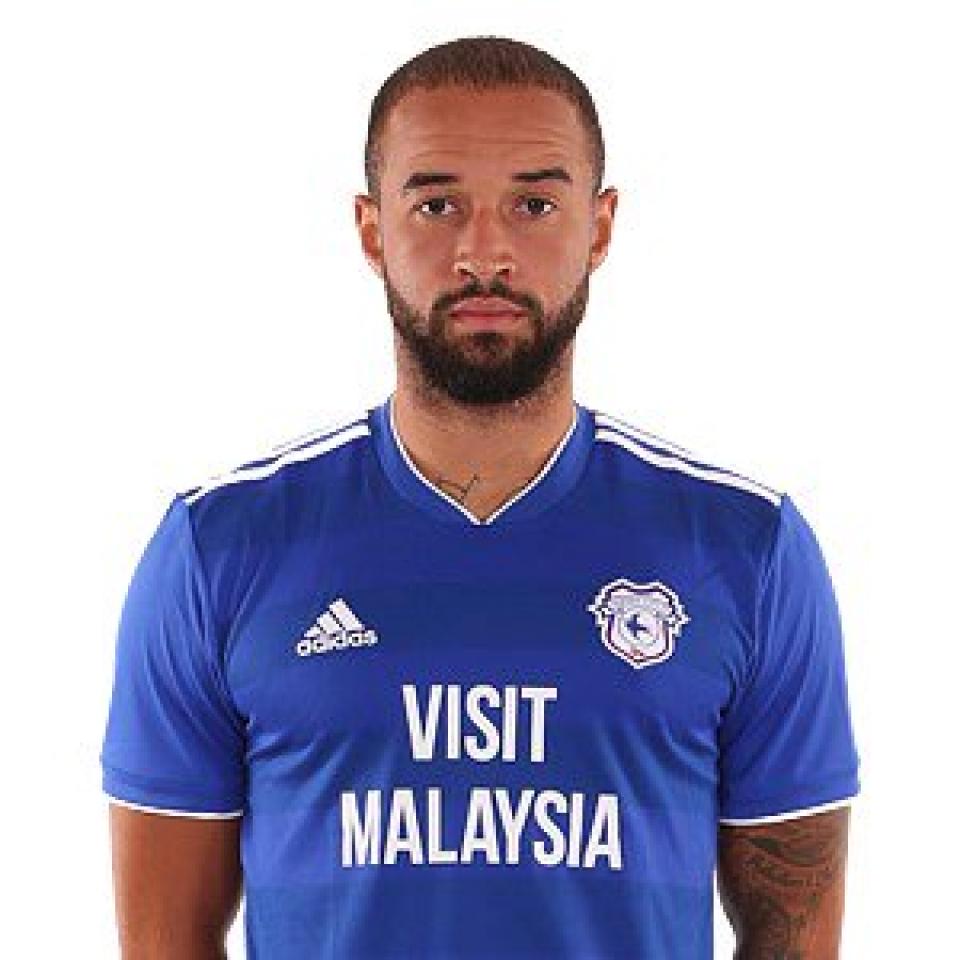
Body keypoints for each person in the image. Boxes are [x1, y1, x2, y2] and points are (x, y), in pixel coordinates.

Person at [100, 35, 860, 959]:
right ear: (372, 230)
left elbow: (795, 935)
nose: (484, 252)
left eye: (534, 204)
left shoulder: (745, 549)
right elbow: (163, 943)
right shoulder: (220, 547)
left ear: (601, 227)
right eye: (438, 204)